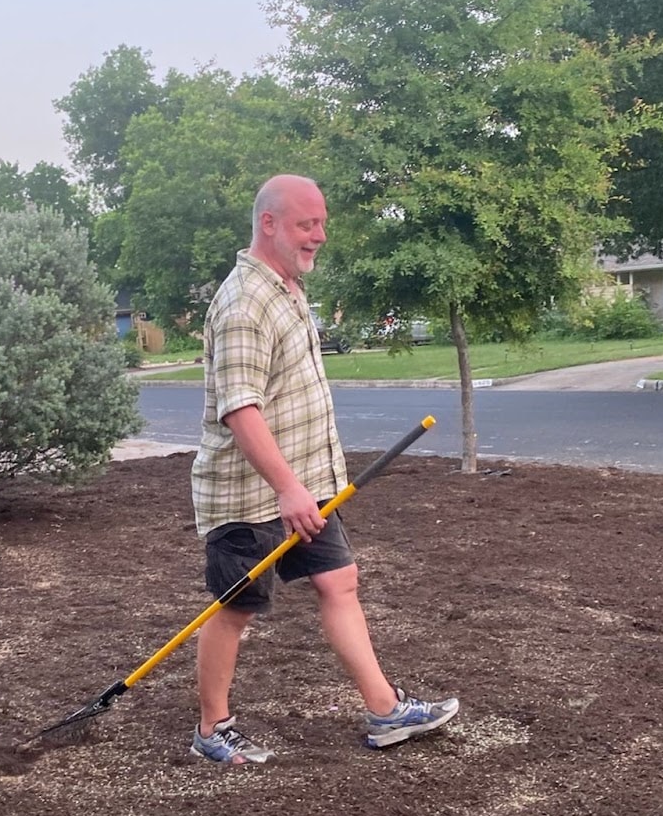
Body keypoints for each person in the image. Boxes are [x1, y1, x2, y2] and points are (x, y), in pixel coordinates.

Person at [188, 173, 459, 764]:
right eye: (307, 224)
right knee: (234, 608)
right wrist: (287, 487)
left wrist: (302, 486)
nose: (320, 235)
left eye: (321, 223)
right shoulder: (244, 303)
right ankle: (213, 730)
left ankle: (385, 711)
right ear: (269, 224)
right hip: (249, 495)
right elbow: (240, 409)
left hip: (307, 486)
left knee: (340, 582)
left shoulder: (286, 285)